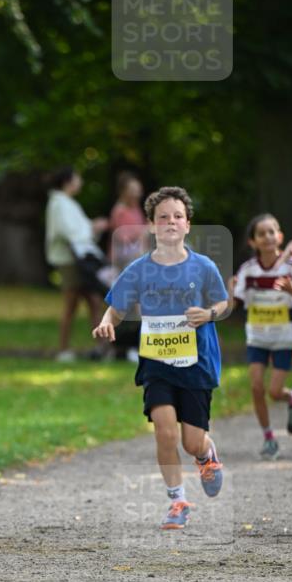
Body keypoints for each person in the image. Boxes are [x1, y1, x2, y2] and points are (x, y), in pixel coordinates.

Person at [92, 186, 229, 530]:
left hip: (196, 363)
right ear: (151, 226)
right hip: (157, 363)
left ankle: (206, 454)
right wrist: (106, 323)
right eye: (163, 217)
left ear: (187, 225)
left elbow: (223, 302)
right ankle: (178, 500)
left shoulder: (203, 266)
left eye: (177, 217)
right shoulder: (139, 269)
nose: (170, 222)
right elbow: (117, 306)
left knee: (190, 440)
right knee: (165, 432)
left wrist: (209, 314)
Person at [230, 213, 292, 459]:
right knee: (256, 386)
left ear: (280, 236)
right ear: (253, 242)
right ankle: (269, 438)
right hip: (257, 338)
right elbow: (233, 306)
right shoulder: (247, 270)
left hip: (284, 336)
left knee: (274, 391)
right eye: (261, 234)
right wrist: (230, 291)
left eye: (272, 232)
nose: (268, 237)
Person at [44, 167, 109, 362]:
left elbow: (78, 229)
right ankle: (64, 349)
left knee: (94, 302)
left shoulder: (67, 203)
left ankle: (102, 347)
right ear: (68, 181)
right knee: (72, 304)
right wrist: (93, 228)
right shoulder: (59, 204)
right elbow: (69, 232)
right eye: (77, 178)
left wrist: (91, 227)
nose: (80, 182)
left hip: (81, 261)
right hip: (70, 262)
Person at [107, 171, 148, 362]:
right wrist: (144, 233)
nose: (137, 194)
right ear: (123, 191)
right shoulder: (120, 211)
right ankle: (131, 347)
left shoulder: (136, 209)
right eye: (133, 190)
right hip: (125, 264)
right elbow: (125, 241)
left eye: (138, 190)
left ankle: (138, 346)